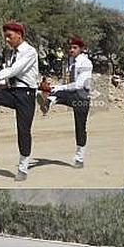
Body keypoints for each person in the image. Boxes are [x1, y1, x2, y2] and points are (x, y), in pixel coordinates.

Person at [0, 22, 40, 181]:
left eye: (9, 36)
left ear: (19, 34)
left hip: (26, 94)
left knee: (23, 131)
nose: (7, 40)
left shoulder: (30, 52)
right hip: (13, 91)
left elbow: (14, 70)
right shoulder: (10, 53)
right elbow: (8, 73)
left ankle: (23, 167)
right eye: (5, 37)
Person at [38, 35, 93, 168]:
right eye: (70, 48)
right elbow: (67, 80)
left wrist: (59, 88)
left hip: (82, 96)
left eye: (74, 47)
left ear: (81, 49)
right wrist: (54, 86)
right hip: (69, 93)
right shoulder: (68, 61)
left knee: (80, 127)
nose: (71, 50)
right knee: (52, 91)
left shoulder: (85, 62)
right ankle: (50, 100)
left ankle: (79, 157)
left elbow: (80, 84)